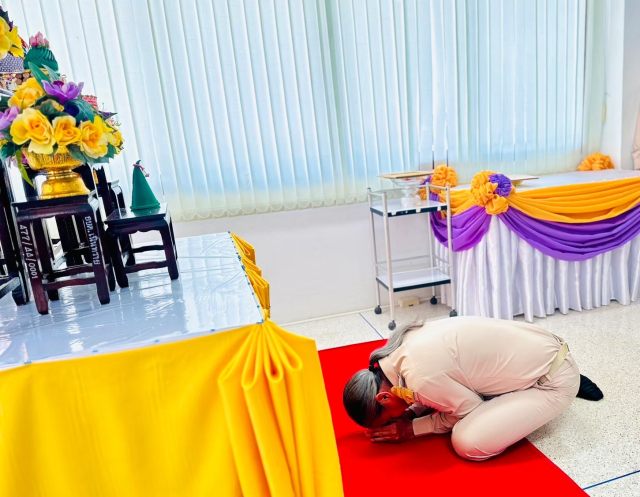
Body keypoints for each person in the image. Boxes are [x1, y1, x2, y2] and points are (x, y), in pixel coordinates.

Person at [343, 317, 603, 461]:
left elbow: (467, 409)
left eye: (390, 418)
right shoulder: (396, 350)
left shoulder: (421, 380)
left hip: (551, 381)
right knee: (462, 382)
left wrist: (413, 428)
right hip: (540, 346)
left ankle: (554, 382)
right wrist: (411, 412)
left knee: (467, 441)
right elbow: (433, 385)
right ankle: (532, 376)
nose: (397, 419)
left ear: (384, 397)